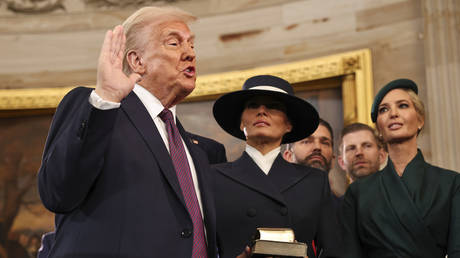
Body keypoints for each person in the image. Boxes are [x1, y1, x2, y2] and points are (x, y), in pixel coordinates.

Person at [37, 6, 218, 257]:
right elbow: (57, 193)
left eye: (191, 45)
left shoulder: (197, 151)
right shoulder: (97, 110)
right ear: (137, 61)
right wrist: (106, 100)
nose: (189, 54)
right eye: (174, 43)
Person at [212, 75, 342, 258]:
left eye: (273, 106)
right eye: (253, 105)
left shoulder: (315, 181)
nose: (262, 111)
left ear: (288, 125)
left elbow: (333, 250)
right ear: (241, 122)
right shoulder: (213, 178)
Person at [341, 79, 460, 257]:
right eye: (384, 109)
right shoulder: (358, 192)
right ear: (379, 129)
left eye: (403, 105)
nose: (393, 113)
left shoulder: (451, 183)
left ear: (420, 120)